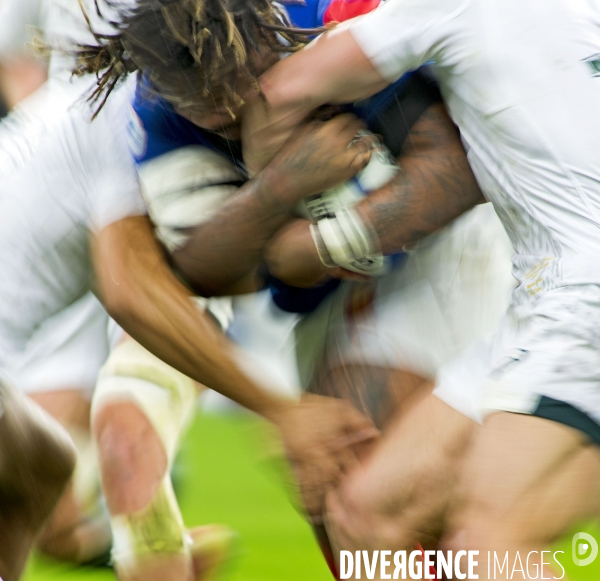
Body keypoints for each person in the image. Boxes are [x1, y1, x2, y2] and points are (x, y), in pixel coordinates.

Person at [239, 0, 600, 577]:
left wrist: (277, 197)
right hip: (546, 298)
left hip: (584, 294)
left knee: (488, 544)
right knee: (366, 518)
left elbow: (281, 90)